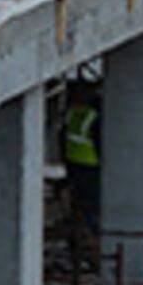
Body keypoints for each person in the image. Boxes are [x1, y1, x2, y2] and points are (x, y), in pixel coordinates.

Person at [59, 94, 102, 232]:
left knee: (81, 198)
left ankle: (84, 226)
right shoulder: (94, 117)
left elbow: (62, 137)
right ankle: (94, 229)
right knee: (92, 201)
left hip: (72, 162)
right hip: (90, 163)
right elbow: (98, 141)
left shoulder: (73, 112)